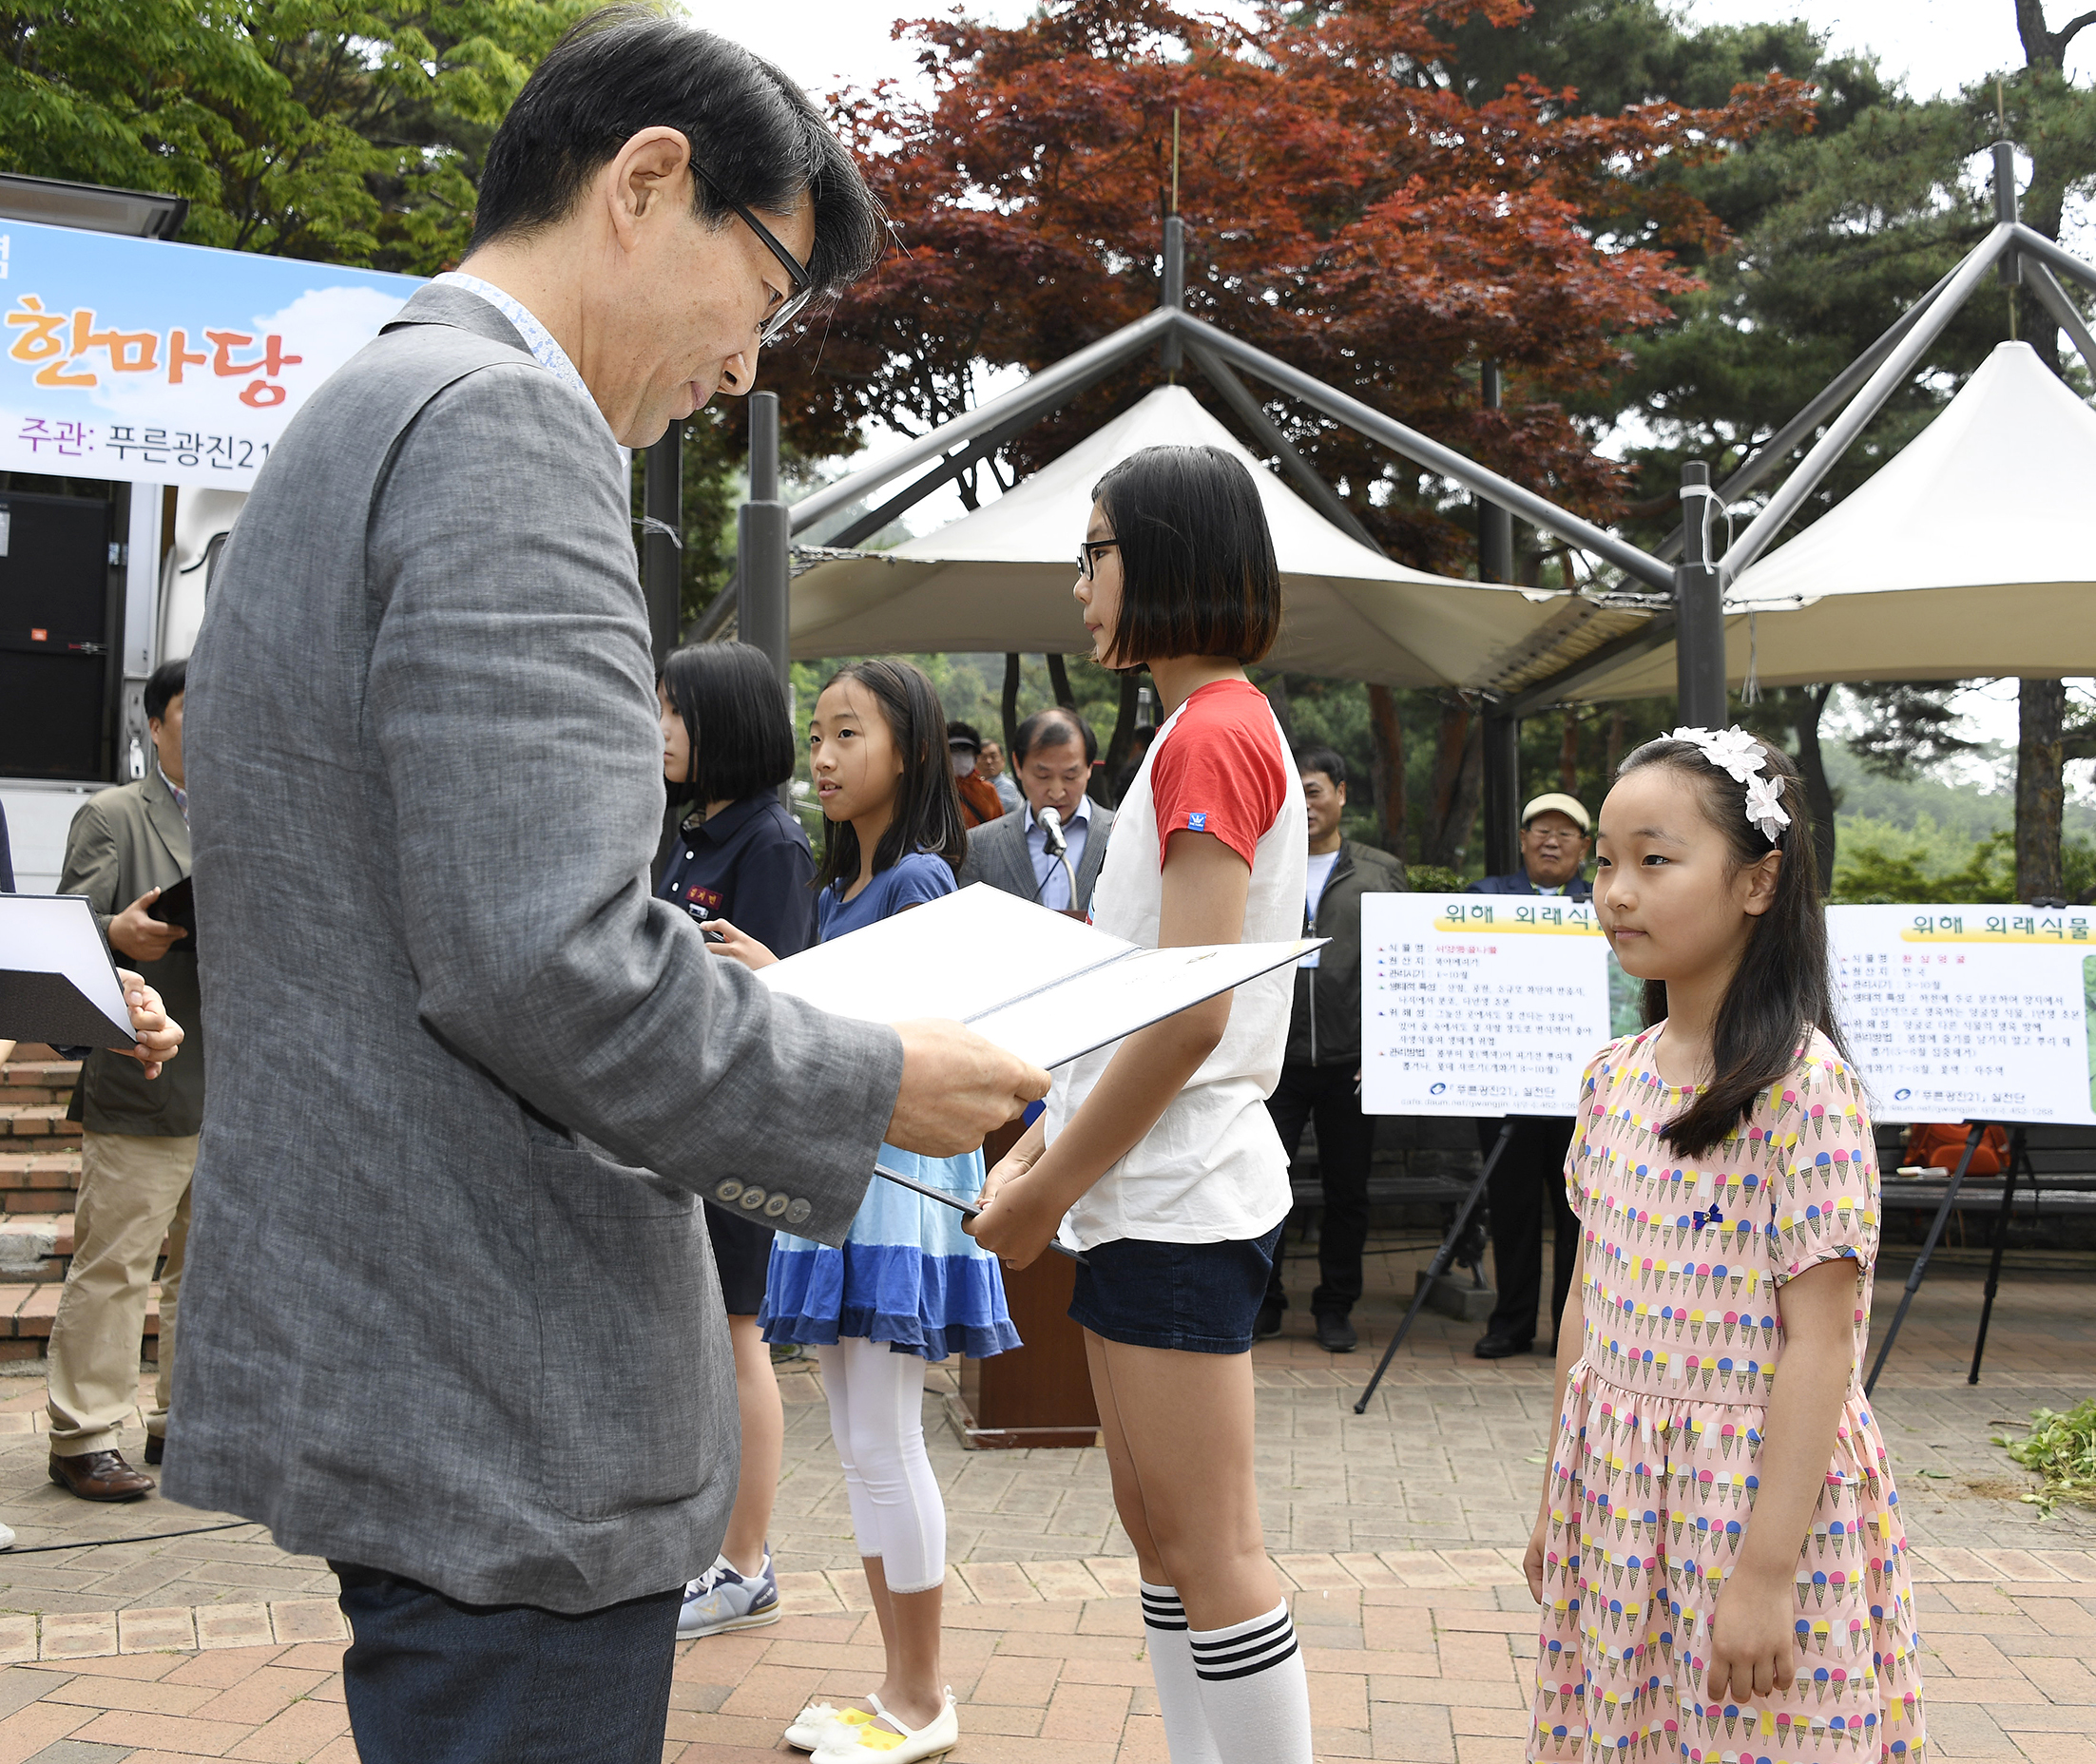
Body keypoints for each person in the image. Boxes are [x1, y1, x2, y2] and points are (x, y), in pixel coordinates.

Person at [171, 15, 1049, 1763]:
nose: (746, 368)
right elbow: (545, 956)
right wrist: (878, 1086)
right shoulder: (508, 427)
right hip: (510, 1380)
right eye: (772, 289)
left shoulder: (363, 401)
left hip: (400, 1341)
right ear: (650, 182)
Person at [970, 445, 1314, 1764]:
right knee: (1161, 1536)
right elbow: (1142, 1017)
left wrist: (1044, 1181)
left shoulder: (1214, 733)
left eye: (1095, 552)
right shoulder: (1198, 728)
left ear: (1163, 556)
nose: (1079, 587)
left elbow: (1188, 1018)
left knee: (1208, 1545)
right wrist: (1049, 1166)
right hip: (1145, 1191)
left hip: (1178, 1191)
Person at [1523, 727, 1925, 1763]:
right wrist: (1560, 1491)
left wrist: (1765, 1572)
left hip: (1750, 1506)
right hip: (1618, 1500)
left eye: (1655, 860)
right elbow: (1589, 1292)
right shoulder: (1613, 1077)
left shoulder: (1802, 1088)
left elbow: (1822, 1346)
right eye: (1608, 861)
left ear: (1757, 881)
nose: (1617, 890)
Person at [708, 660, 1020, 1764]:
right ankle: (898, 1688)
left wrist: (780, 981)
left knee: (884, 1443)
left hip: (892, 1196)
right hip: (845, 1189)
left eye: (850, 734)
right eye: (819, 734)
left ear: (910, 752)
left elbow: (924, 1039)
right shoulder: (846, 890)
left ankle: (925, 1694)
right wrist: (785, 974)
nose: (826, 756)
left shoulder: (924, 878)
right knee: (862, 1444)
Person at [652, 642, 814, 1639]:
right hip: (676, 1122)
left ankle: (746, 1562)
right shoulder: (687, 832)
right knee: (703, 1341)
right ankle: (704, 1545)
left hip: (742, 1131)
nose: (658, 727)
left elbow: (789, 993)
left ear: (725, 723)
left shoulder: (771, 843)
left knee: (738, 1333)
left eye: (673, 710)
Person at [48, 658, 202, 1501]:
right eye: (193, 708)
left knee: (208, 1270)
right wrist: (118, 930)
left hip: (236, 1082)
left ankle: (187, 1423)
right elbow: (71, 935)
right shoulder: (112, 815)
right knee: (116, 1265)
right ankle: (83, 1435)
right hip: (143, 1072)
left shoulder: (251, 816)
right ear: (155, 723)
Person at [1254, 746, 1403, 1354]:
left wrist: (1385, 1046)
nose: (1305, 804)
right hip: (1275, 1059)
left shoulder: (1378, 871)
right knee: (1263, 1185)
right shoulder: (1262, 865)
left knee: (1349, 1191)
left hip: (1353, 1062)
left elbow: (1401, 965)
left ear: (1341, 793)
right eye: (1294, 792)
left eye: (1313, 791)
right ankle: (1263, 1304)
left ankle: (1335, 1306)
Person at [1466, 792, 1592, 1360]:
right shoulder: (1486, 899)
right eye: (1540, 830)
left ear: (1584, 847)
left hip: (1583, 1096)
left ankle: (1573, 1330)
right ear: (1522, 841)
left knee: (1580, 1218)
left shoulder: (1603, 903)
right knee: (1512, 1211)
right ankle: (1510, 1323)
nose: (1551, 840)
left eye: (1565, 833)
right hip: (1508, 1089)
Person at [957, 706, 1114, 915]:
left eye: (1070, 776)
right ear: (1018, 766)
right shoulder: (979, 846)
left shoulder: (1122, 836)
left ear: (1088, 768)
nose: (1057, 792)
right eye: (1042, 776)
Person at [946, 719, 1005, 829]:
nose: (960, 757)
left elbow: (1001, 830)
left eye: (965, 751)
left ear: (975, 756)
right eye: (953, 751)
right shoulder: (933, 792)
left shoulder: (988, 791)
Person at [980, 736, 1023, 815]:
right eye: (983, 757)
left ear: (1003, 760)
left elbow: (989, 814)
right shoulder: (979, 785)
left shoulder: (1006, 787)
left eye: (993, 757)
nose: (989, 761)